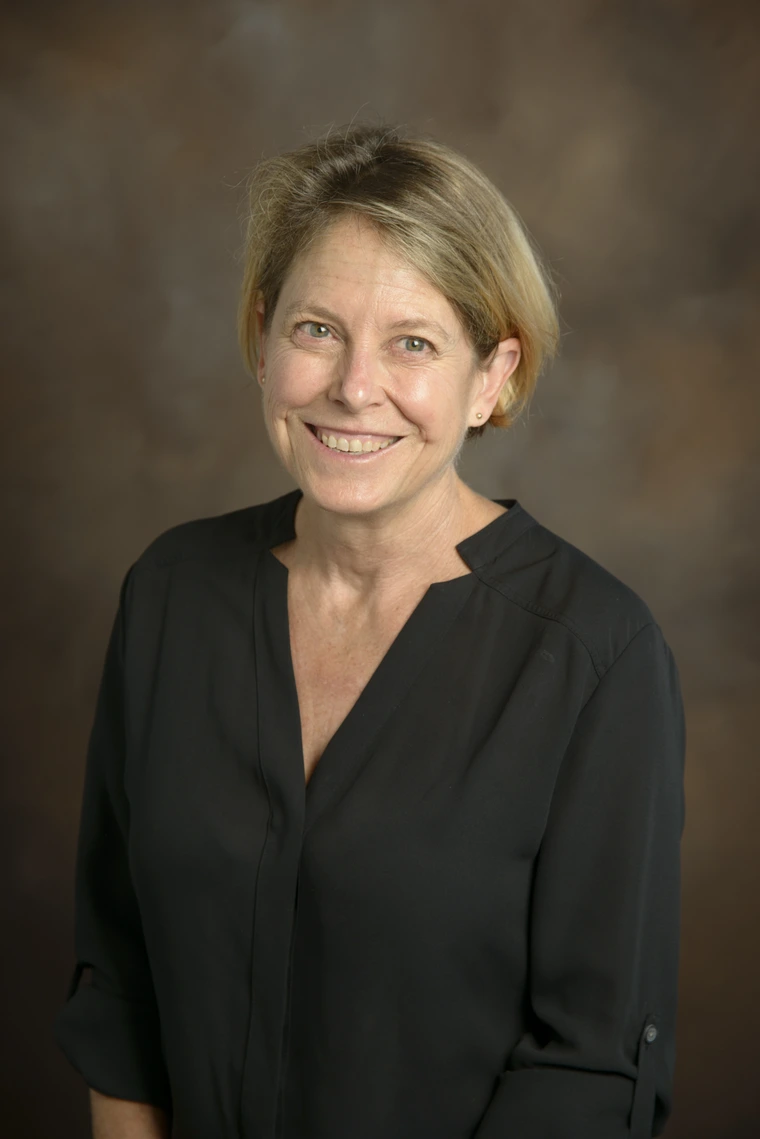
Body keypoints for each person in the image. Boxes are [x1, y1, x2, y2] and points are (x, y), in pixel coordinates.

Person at [53, 123, 686, 1139]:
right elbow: (120, 980)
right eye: (316, 330)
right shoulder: (172, 593)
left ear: (493, 376)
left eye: (413, 342)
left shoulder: (596, 655)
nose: (353, 387)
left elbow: (586, 1070)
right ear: (262, 334)